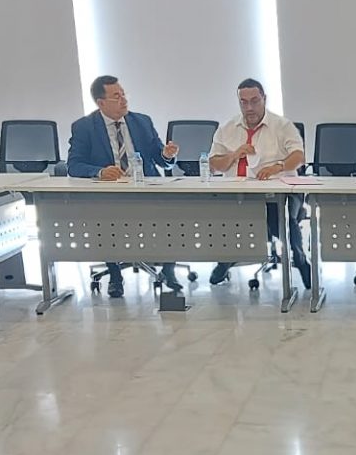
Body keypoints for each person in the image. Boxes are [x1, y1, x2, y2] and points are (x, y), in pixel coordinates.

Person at [67, 75, 181, 297]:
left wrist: (167, 155)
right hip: (110, 195)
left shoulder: (142, 121)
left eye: (124, 94)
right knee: (103, 219)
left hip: (146, 190)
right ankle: (115, 274)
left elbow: (160, 160)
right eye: (116, 96)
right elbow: (74, 165)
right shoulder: (84, 127)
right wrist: (100, 172)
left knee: (175, 212)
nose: (124, 100)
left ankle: (168, 269)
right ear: (101, 103)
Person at [206, 78, 310, 287]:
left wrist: (278, 166)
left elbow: (299, 157)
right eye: (243, 102)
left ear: (264, 99)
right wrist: (234, 155)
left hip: (280, 193)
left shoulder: (282, 126)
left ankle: (299, 259)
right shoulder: (227, 128)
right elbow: (214, 165)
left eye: (254, 101)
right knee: (221, 217)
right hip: (238, 195)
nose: (249, 108)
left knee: (281, 216)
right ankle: (226, 259)